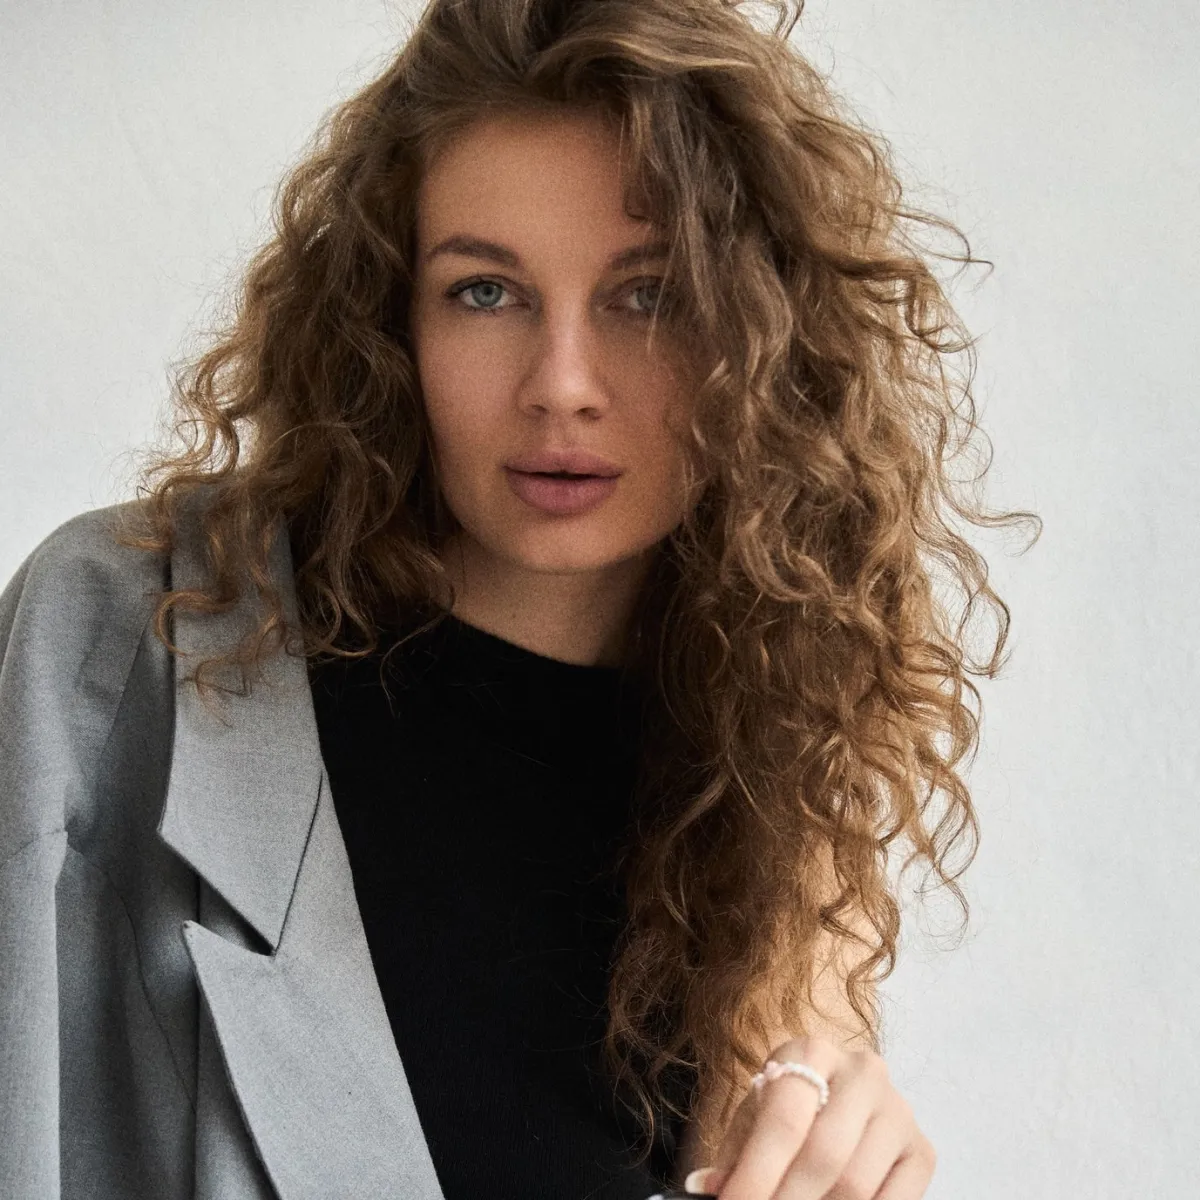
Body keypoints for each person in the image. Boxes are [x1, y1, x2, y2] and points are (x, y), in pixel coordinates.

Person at [0, 1, 1040, 1198]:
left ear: (763, 340)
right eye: (486, 292)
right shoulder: (130, 643)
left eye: (648, 295)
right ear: (390, 315)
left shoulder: (768, 785)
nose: (563, 387)